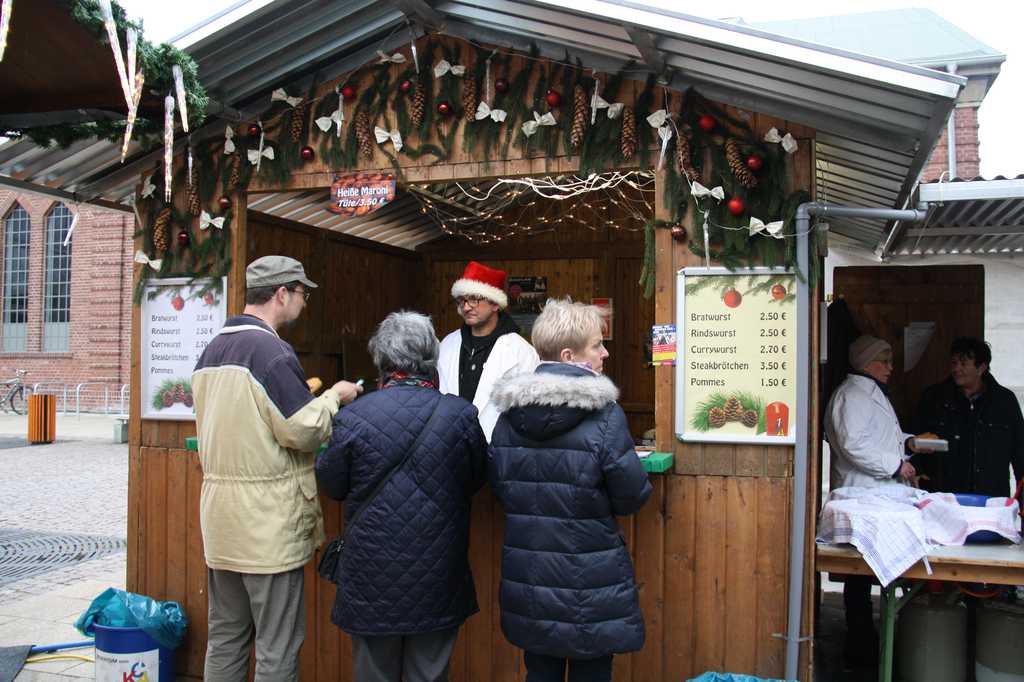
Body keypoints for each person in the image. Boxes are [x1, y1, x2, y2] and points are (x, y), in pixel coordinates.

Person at [192, 255, 362, 681]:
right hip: (266, 528)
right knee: (276, 647)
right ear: (282, 294)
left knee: (226, 638)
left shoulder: (213, 349)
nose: (304, 302)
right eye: (302, 293)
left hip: (221, 523)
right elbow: (302, 430)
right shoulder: (270, 351)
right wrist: (335, 397)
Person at [316, 311, 488, 682]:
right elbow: (476, 478)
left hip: (370, 576)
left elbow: (333, 485)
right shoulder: (460, 415)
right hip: (439, 572)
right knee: (429, 674)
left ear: (381, 358)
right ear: (431, 357)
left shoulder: (353, 416)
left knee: (374, 674)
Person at [488, 298, 651, 682]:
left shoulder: (509, 415)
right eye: (597, 345)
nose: (605, 352)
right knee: (591, 672)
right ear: (568, 356)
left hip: (530, 577)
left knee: (540, 671)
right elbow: (631, 495)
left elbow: (500, 485)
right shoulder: (604, 415)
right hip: (591, 579)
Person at [825, 334, 934, 668]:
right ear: (865, 363)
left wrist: (909, 443)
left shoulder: (868, 393)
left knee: (864, 575)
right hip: (861, 496)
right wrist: (895, 465)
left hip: (874, 496)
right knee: (858, 577)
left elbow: (879, 438)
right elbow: (854, 444)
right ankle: (859, 647)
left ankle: (866, 643)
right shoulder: (852, 396)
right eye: (884, 361)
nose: (890, 368)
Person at [437, 261, 539, 441]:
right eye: (462, 300)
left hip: (497, 450)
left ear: (496, 304)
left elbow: (528, 414)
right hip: (450, 446)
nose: (466, 307)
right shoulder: (447, 344)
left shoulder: (521, 352)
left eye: (474, 299)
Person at [913, 337, 1024, 497]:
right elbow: (913, 439)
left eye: (963, 364)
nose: (956, 369)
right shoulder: (934, 398)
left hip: (991, 497)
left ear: (981, 367)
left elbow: (1020, 452)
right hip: (943, 496)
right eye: (954, 363)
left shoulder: (1004, 401)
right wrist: (918, 475)